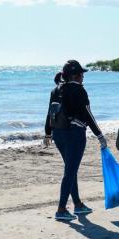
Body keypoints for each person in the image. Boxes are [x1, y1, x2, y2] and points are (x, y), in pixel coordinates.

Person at [44, 60, 108, 221]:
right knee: (70, 171)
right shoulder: (79, 90)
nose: (83, 77)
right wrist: (99, 135)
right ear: (75, 75)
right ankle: (61, 209)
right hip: (75, 134)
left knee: (70, 170)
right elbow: (88, 114)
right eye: (81, 74)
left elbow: (50, 113)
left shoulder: (56, 89)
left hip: (59, 134)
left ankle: (78, 205)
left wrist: (48, 134)